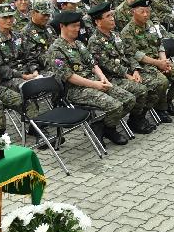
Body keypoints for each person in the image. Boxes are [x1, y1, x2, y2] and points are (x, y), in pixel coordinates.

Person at [46, 11, 134, 146]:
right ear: (62, 26)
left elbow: (92, 63)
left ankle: (104, 127)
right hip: (75, 89)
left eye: (78, 26)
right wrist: (95, 84)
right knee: (115, 106)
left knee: (129, 99)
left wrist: (103, 78)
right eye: (73, 26)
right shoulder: (56, 49)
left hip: (94, 81)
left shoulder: (79, 44)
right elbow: (69, 76)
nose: (77, 29)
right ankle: (106, 128)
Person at [87, 2, 157, 133]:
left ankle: (137, 118)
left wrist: (135, 70)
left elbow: (128, 54)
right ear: (98, 22)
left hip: (127, 73)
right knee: (141, 90)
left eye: (112, 15)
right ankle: (106, 126)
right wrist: (128, 75)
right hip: (112, 78)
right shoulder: (95, 41)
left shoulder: (116, 35)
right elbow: (109, 65)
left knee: (155, 84)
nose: (112, 18)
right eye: (108, 16)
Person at [119, 0, 174, 120]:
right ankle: (161, 109)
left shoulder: (150, 24)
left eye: (148, 11)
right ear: (133, 12)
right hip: (144, 65)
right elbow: (135, 54)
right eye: (142, 12)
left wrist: (164, 61)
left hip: (158, 60)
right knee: (162, 82)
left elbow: (159, 43)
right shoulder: (127, 31)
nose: (146, 15)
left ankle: (169, 102)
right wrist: (158, 63)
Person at [0, 3, 39, 91]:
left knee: (53, 78)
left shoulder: (19, 36)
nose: (9, 20)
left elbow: (30, 56)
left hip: (28, 72)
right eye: (4, 17)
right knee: (28, 87)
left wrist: (34, 71)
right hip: (9, 78)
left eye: (10, 16)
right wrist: (23, 76)